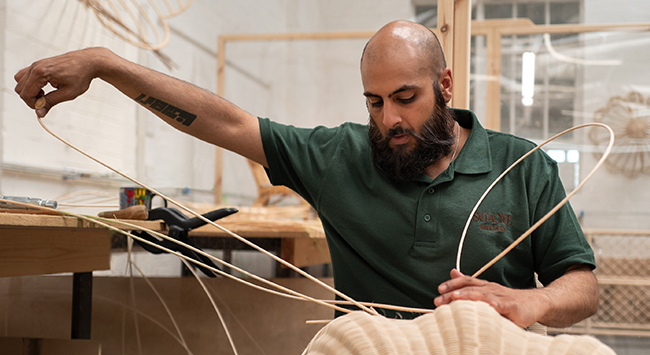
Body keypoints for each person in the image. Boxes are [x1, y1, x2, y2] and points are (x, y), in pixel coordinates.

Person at [14, 20, 598, 328]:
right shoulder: (340, 157)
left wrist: (531, 303)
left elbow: (583, 286)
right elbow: (226, 122)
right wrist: (108, 65)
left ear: (445, 87)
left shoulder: (523, 167)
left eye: (406, 97)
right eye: (374, 102)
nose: (390, 119)